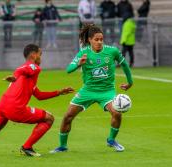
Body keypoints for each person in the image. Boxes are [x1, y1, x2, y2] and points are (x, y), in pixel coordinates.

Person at [0, 44, 74, 157]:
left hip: (2, 105)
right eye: (40, 54)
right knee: (49, 118)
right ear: (33, 54)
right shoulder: (33, 67)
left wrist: (59, 92)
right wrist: (15, 76)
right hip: (15, 108)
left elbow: (39, 95)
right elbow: (21, 70)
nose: (40, 58)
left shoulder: (29, 77)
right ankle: (27, 147)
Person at [51, 24, 133, 153]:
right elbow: (68, 70)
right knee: (67, 116)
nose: (99, 42)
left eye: (101, 39)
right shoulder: (83, 53)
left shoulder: (112, 51)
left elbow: (125, 65)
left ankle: (111, 140)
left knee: (117, 113)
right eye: (96, 39)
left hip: (107, 91)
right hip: (87, 91)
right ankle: (62, 146)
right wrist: (79, 64)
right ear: (90, 39)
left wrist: (130, 82)